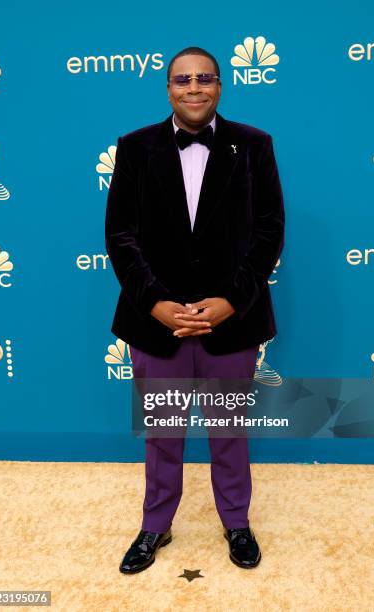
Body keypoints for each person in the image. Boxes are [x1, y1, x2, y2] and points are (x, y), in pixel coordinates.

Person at [105, 46, 285, 573]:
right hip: (156, 322)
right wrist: (156, 303)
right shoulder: (135, 148)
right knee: (163, 432)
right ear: (168, 88)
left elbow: (269, 232)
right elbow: (120, 235)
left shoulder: (255, 146)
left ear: (220, 85)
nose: (194, 88)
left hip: (233, 320)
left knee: (229, 430)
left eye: (204, 78)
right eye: (183, 79)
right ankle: (154, 527)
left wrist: (231, 301)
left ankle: (237, 521)